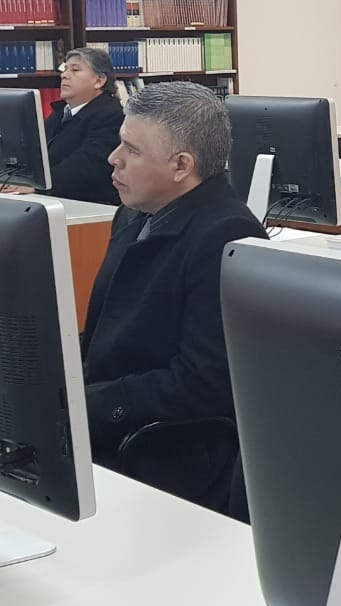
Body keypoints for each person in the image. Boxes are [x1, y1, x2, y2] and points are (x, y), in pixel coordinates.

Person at [81, 81, 265, 510]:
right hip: (104, 419)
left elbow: (205, 382)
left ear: (182, 165)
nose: (113, 158)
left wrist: (90, 406)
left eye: (132, 150)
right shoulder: (133, 214)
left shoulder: (227, 235)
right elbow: (106, 331)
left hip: (159, 452)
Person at [5, 47, 124, 204]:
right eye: (65, 69)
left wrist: (37, 186)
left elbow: (86, 166)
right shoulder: (61, 113)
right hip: (51, 197)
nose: (64, 75)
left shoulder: (111, 116)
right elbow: (34, 152)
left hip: (88, 204)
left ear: (99, 81)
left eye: (75, 70)